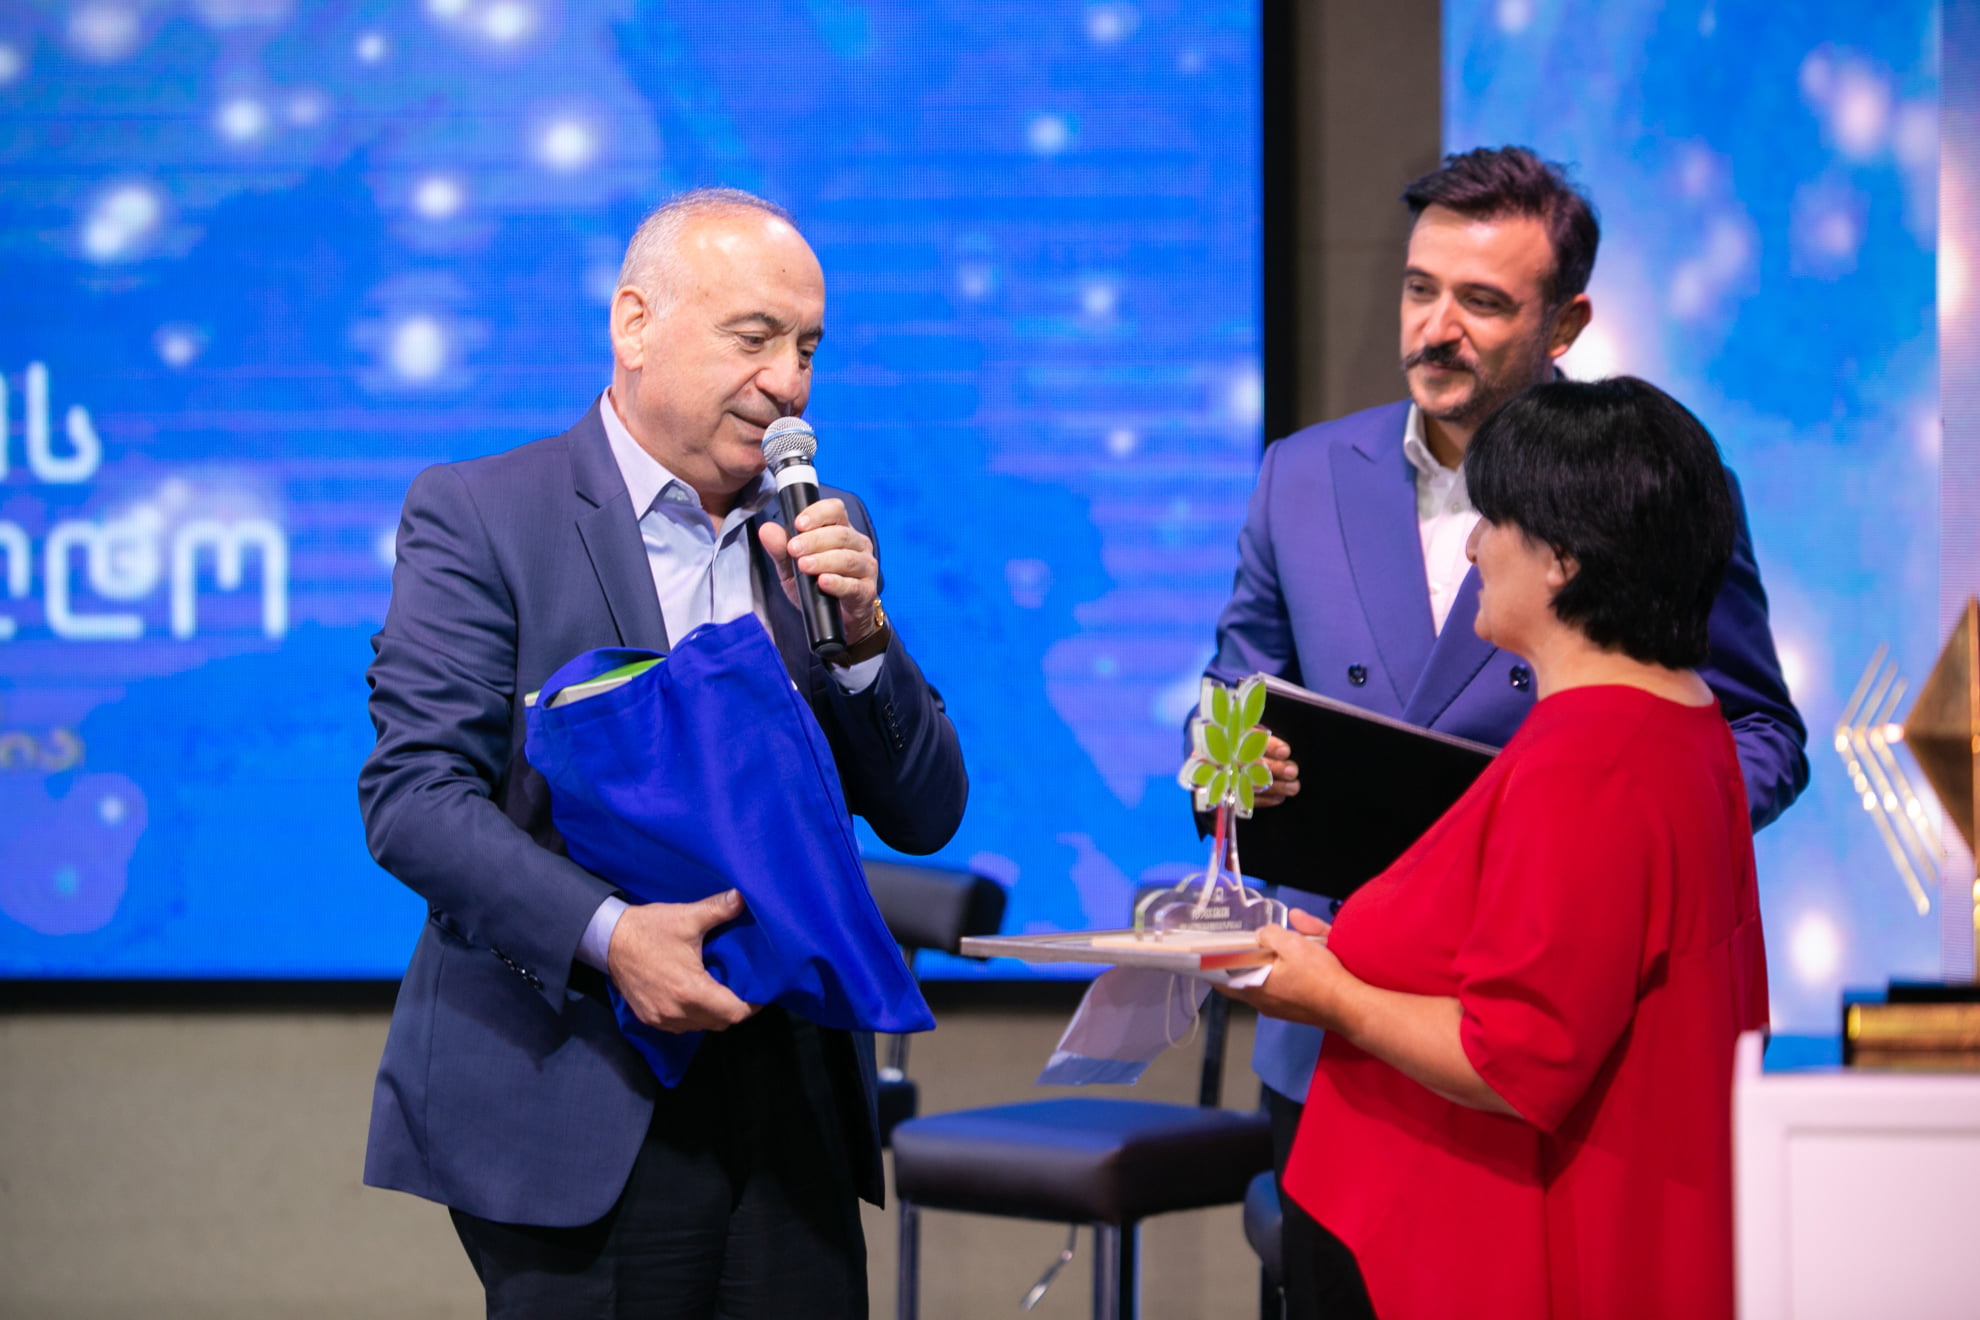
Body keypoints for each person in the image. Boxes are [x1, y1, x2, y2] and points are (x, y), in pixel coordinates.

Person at [1199, 145, 1804, 1309]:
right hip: (1334, 1017)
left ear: (1565, 322)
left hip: (1533, 1042)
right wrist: (1232, 769)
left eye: (1481, 301)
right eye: (1420, 290)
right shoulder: (1300, 476)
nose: (1438, 329)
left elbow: (1747, 733)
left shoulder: (1645, 485)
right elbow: (1229, 703)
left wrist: (1572, 850)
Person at [357, 187, 967, 1318]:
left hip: (791, 1097)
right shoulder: (484, 512)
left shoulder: (820, 529)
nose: (789, 385)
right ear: (635, 325)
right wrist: (613, 937)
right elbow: (415, 798)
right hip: (577, 1085)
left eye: (806, 349)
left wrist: (863, 639)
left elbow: (926, 813)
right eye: (754, 338)